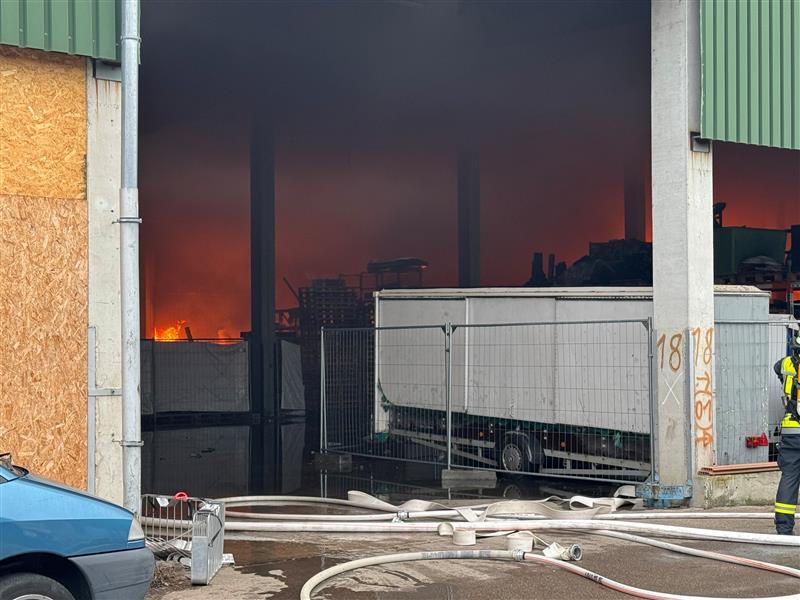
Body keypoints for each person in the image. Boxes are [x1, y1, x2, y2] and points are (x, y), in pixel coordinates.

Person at [774, 330, 800, 535]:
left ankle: (783, 528)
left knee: (789, 477)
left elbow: (777, 367)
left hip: (792, 430)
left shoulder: (787, 364)